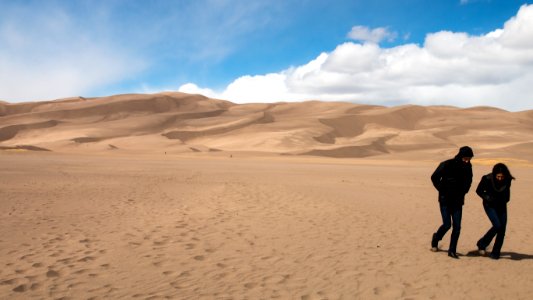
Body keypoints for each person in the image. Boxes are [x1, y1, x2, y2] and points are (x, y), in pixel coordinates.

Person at [430, 146, 474, 259]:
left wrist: (464, 191)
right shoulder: (447, 164)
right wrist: (442, 189)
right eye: (465, 158)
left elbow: (469, 181)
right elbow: (434, 177)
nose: (467, 161)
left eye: (469, 159)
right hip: (445, 200)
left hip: (458, 201)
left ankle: (452, 250)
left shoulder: (468, 167)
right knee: (447, 224)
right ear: (460, 156)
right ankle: (436, 238)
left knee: (457, 226)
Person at [475, 163, 515, 260]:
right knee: (497, 225)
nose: (500, 178)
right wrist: (488, 197)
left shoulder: (507, 179)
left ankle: (495, 253)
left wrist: (506, 199)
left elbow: (507, 191)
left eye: (502, 176)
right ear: (494, 174)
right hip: (489, 205)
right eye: (498, 176)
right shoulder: (487, 178)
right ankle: (482, 244)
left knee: (502, 229)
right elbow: (479, 190)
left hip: (501, 205)